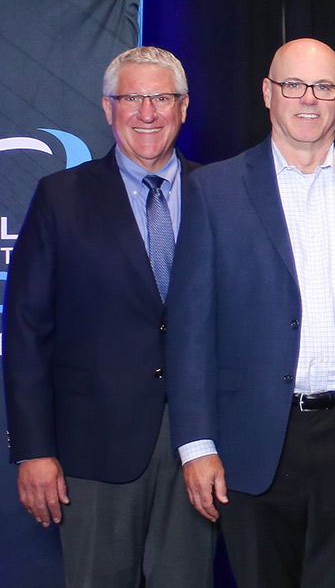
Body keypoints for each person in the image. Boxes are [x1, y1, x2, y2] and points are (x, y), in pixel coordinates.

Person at [165, 38, 335, 588]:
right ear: (268, 93)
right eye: (293, 85)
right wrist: (196, 446)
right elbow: (190, 330)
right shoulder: (211, 191)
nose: (308, 98)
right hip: (251, 441)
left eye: (324, 87)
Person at [3, 46, 216, 586]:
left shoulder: (220, 193)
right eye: (131, 98)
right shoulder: (61, 197)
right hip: (92, 447)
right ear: (107, 108)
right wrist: (33, 449)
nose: (147, 112)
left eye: (161, 98)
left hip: (200, 444)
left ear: (184, 107)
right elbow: (27, 329)